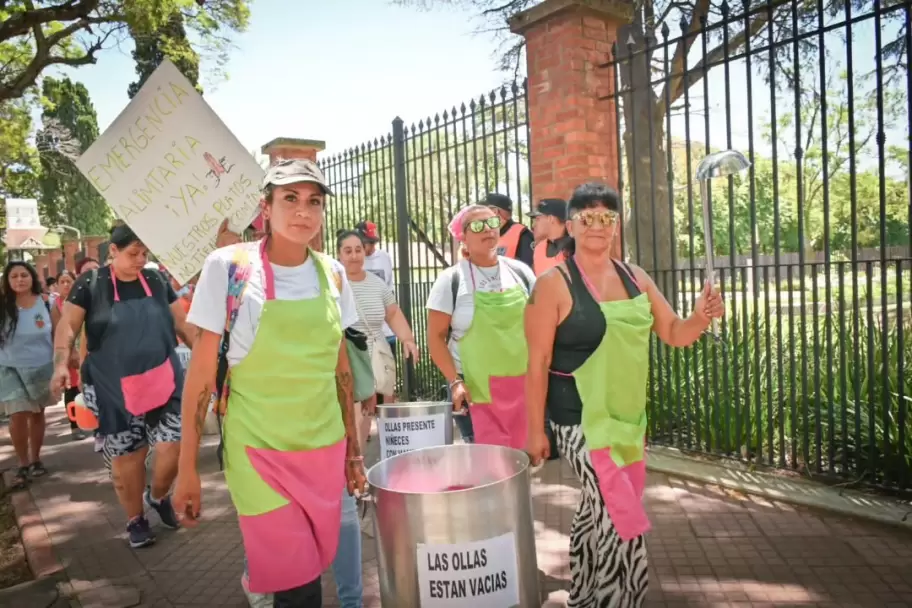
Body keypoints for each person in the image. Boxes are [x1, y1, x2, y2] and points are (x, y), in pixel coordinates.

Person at [173, 158, 367, 608]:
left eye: (314, 201)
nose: (303, 211)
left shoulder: (334, 274)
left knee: (308, 567)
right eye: (290, 199)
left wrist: (353, 452)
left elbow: (341, 371)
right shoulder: (229, 267)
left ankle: (259, 581)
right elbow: (201, 377)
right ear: (266, 207)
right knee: (299, 585)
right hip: (258, 453)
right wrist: (187, 468)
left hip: (323, 449)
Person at [524, 182, 725, 606]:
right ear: (571, 226)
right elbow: (537, 361)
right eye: (588, 217)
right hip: (578, 419)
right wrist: (534, 431)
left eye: (607, 218)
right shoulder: (552, 285)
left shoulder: (637, 278)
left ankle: (581, 594)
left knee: (595, 507)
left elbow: (673, 332)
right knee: (619, 514)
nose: (598, 225)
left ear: (616, 225)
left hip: (628, 418)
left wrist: (701, 316)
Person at [52, 223, 196, 548]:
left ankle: (158, 496)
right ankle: (136, 519)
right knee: (129, 455)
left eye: (145, 252)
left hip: (163, 377)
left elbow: (182, 324)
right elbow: (68, 324)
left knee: (174, 445)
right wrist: (61, 362)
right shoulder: (90, 284)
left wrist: (206, 360)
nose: (141, 259)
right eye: (134, 253)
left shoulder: (157, 280)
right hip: (112, 386)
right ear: (112, 252)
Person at [426, 204, 535, 447]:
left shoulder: (521, 273)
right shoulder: (451, 281)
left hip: (521, 388)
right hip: (474, 390)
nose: (487, 229)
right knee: (487, 466)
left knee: (520, 464)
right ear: (463, 237)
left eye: (492, 223)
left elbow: (539, 327)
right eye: (477, 226)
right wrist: (455, 382)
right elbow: (435, 337)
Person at [337, 229, 419, 437]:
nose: (354, 256)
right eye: (348, 251)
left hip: (373, 355)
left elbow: (392, 313)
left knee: (364, 417)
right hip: (343, 356)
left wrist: (408, 340)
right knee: (348, 415)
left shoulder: (377, 284)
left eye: (358, 250)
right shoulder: (332, 284)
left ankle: (360, 461)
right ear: (339, 255)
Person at [0, 261, 54, 486]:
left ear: (32, 277)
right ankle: (22, 463)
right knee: (17, 414)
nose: (19, 280)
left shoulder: (47, 302)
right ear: (7, 281)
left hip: (41, 366)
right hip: (9, 367)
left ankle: (36, 459)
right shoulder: (2, 305)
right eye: (14, 276)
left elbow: (59, 333)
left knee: (37, 414)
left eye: (24, 275)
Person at [48, 270, 86, 440]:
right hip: (69, 351)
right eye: (62, 281)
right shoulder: (56, 305)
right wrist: (70, 353)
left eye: (68, 281)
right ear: (57, 285)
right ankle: (74, 426)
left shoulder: (83, 299)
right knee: (71, 389)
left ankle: (89, 419)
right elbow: (58, 330)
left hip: (86, 348)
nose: (65, 285)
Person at [354, 220, 398, 369]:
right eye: (368, 243)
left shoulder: (384, 257)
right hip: (361, 333)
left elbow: (389, 290)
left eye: (374, 242)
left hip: (385, 332)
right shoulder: (352, 261)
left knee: (386, 378)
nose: (372, 247)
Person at [74, 257, 103, 452]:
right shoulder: (81, 302)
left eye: (96, 269)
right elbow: (84, 339)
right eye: (87, 271)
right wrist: (81, 373)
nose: (93, 274)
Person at [484, 193, 534, 268]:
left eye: (483, 211)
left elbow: (527, 272)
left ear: (495, 212)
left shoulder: (523, 236)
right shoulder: (489, 236)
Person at [530, 198, 571, 277]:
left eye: (538, 219)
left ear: (551, 219)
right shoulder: (539, 248)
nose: (533, 225)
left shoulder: (575, 249)